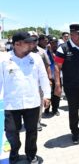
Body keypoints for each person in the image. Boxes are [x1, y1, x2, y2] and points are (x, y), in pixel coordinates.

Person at [0, 32, 51, 164]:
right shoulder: (4, 59)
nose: (32, 44)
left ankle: (31, 154)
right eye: (28, 42)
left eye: (33, 42)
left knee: (32, 131)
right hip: (11, 104)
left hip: (32, 102)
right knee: (11, 132)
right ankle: (15, 152)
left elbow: (43, 77)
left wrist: (47, 95)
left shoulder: (36, 58)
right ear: (17, 44)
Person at [29, 32, 52, 131]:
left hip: (39, 83)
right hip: (27, 83)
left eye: (35, 39)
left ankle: (37, 122)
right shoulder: (22, 51)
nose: (33, 41)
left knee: (40, 103)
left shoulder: (42, 52)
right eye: (30, 39)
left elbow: (47, 66)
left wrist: (49, 79)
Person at [45, 36, 61, 116]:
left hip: (58, 76)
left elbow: (56, 60)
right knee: (48, 93)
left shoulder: (59, 51)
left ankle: (55, 109)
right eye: (52, 43)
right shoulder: (44, 52)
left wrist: (51, 51)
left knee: (57, 94)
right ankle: (46, 109)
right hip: (48, 77)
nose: (54, 44)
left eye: (55, 43)